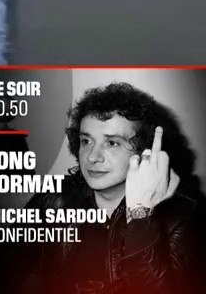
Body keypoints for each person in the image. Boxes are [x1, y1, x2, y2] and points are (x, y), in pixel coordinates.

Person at [12, 82, 206, 294]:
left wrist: (140, 217)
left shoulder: (180, 218)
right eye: (86, 141)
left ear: (144, 153)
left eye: (112, 143)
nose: (92, 157)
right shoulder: (52, 201)